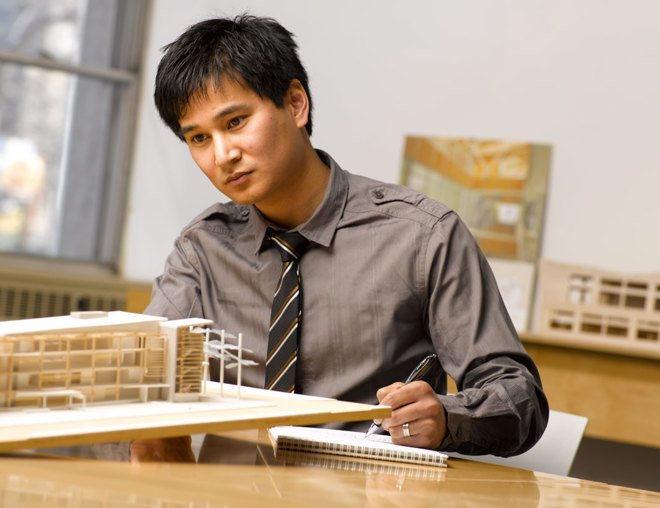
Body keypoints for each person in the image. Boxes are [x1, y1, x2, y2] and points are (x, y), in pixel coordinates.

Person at [144, 14, 548, 456]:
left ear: (296, 104)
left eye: (236, 122)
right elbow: (142, 383)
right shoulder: (202, 251)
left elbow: (518, 395)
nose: (223, 155)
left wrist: (448, 418)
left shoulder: (421, 237)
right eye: (199, 138)